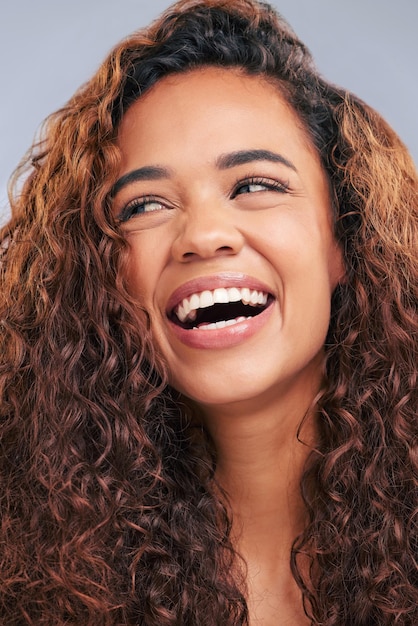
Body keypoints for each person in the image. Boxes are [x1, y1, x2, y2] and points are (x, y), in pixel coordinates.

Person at [0, 0, 416, 624]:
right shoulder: (26, 567)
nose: (204, 235)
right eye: (144, 205)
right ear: (102, 273)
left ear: (344, 239)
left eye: (254, 185)